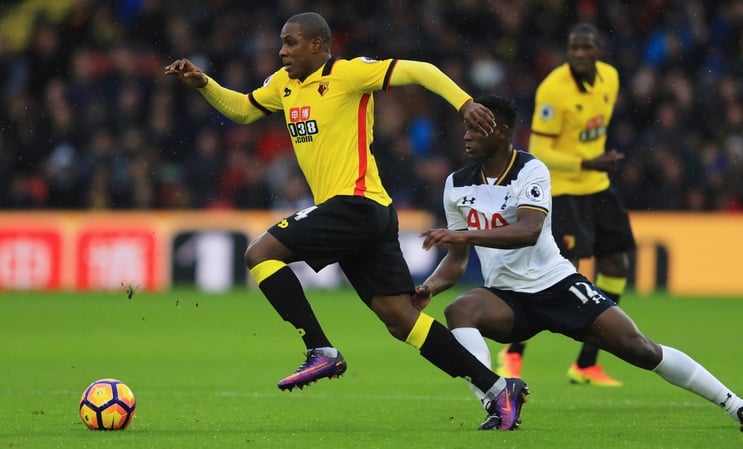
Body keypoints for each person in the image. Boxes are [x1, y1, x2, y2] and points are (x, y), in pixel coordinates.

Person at [165, 12, 528, 430]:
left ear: (318, 45)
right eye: (282, 43)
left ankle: (319, 349)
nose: (282, 51)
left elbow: (422, 70)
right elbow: (245, 110)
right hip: (367, 214)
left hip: (354, 204)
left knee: (260, 253)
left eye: (291, 42)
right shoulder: (283, 85)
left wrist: (465, 103)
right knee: (401, 319)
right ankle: (498, 389)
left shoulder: (350, 74)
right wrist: (204, 84)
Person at [412, 93, 743, 430]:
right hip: (506, 298)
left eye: (477, 127)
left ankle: (738, 407)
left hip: (556, 286)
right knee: (460, 309)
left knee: (641, 349)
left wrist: (461, 234)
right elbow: (457, 262)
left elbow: (528, 231)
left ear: (503, 132)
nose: (467, 134)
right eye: (466, 127)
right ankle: (498, 400)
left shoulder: (531, 170)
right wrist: (430, 286)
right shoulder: (456, 185)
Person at [496, 23, 634, 386]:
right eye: (574, 48)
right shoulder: (553, 90)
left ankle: (586, 364)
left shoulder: (611, 79)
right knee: (557, 276)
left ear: (599, 50)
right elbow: (540, 151)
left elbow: (592, 131)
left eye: (586, 47)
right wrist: (585, 162)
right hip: (564, 190)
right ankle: (512, 352)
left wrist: (595, 164)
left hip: (598, 186)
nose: (579, 54)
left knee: (617, 262)